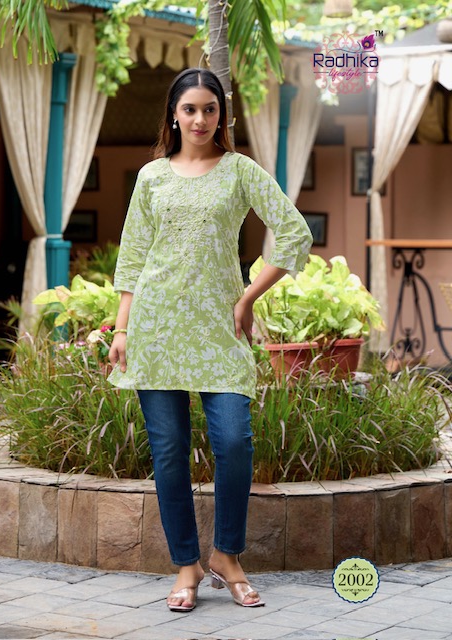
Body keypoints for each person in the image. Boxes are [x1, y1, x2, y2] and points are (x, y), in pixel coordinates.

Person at [108, 67, 312, 612]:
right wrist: (122, 328)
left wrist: (249, 297)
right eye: (190, 109)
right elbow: (133, 255)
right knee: (169, 452)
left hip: (220, 330)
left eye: (210, 109)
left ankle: (226, 554)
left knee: (234, 442)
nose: (200, 119)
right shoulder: (152, 176)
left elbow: (295, 231)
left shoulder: (239, 170)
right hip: (156, 329)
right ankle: (186, 565)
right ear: (174, 115)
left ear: (222, 115)